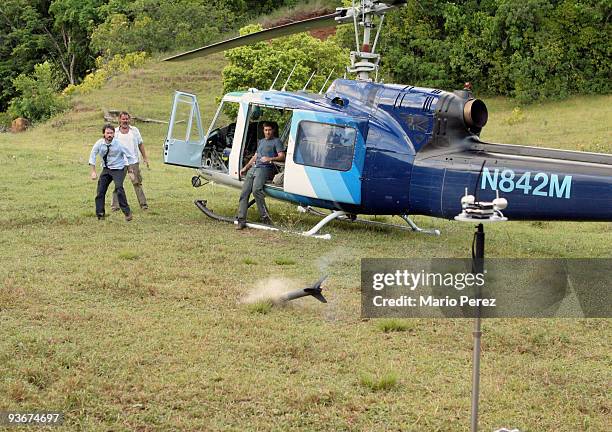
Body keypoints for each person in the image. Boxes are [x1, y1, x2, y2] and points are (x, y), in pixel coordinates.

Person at [236, 122, 285, 229]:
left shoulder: (277, 141)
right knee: (244, 193)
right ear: (263, 131)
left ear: (273, 131)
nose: (267, 132)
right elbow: (255, 156)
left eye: (269, 130)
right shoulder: (261, 141)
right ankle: (241, 220)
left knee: (256, 190)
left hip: (265, 169)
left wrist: (270, 159)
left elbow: (282, 156)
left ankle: (265, 217)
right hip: (254, 168)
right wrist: (246, 167)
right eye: (265, 130)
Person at [89, 124, 137, 221]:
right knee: (100, 191)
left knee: (119, 188)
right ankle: (100, 214)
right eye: (107, 133)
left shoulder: (119, 144)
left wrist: (130, 171)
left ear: (114, 134)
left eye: (111, 133)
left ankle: (127, 213)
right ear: (104, 134)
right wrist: (93, 171)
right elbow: (93, 155)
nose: (109, 135)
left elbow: (130, 156)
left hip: (118, 169)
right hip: (106, 169)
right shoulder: (99, 143)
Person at [111, 111, 149, 211]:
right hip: (120, 162)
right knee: (118, 184)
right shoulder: (115, 132)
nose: (125, 121)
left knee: (137, 183)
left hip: (133, 161)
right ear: (119, 120)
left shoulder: (134, 130)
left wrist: (145, 157)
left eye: (127, 119)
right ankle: (115, 205)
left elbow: (140, 144)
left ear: (129, 119)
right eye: (123, 119)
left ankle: (143, 204)